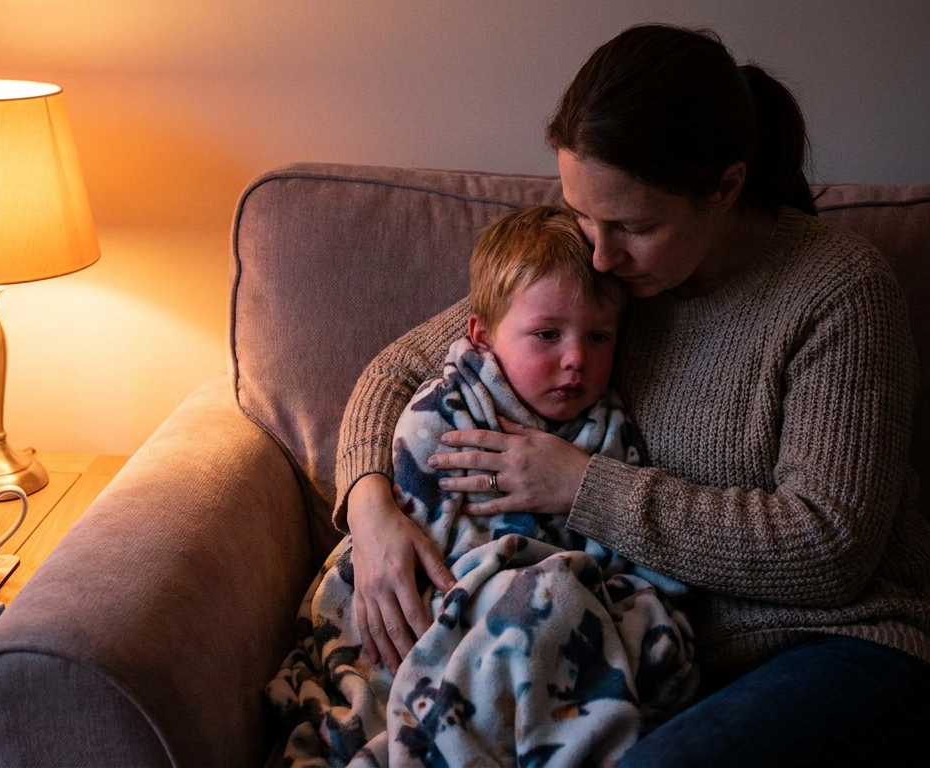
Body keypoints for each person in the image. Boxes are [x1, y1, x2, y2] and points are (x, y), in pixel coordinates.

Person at [334, 24, 930, 767]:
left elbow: (828, 547)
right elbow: (396, 369)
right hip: (664, 669)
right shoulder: (607, 279)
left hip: (859, 651)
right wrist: (370, 505)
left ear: (726, 188)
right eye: (583, 215)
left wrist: (581, 484)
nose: (601, 253)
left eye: (633, 226)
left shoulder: (838, 290)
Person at [268, 205, 696, 766]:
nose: (576, 359)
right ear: (483, 336)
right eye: (547, 335)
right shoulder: (446, 410)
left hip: (538, 620)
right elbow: (428, 526)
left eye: (599, 337)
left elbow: (624, 549)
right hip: (440, 607)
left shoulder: (606, 426)